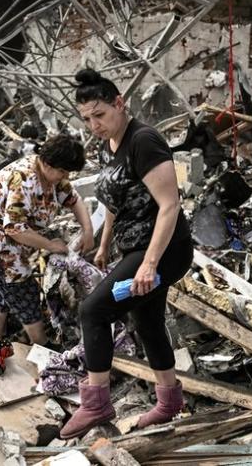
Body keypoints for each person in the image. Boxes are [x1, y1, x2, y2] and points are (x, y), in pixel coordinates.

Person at [60, 69, 194, 439]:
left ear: (120, 103)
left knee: (93, 310)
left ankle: (96, 404)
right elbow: (114, 202)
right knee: (147, 320)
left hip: (166, 249)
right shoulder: (110, 145)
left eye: (99, 115)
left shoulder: (144, 140)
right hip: (135, 245)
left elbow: (169, 206)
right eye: (86, 118)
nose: (94, 125)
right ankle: (169, 403)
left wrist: (149, 264)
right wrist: (104, 245)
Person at [0, 134, 94, 348]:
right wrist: (51, 245)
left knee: (0, 293)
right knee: (25, 294)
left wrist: (87, 230)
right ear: (46, 162)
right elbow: (14, 229)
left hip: (9, 245)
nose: (65, 176)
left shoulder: (54, 177)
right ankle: (42, 347)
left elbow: (74, 199)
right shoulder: (24, 180)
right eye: (62, 171)